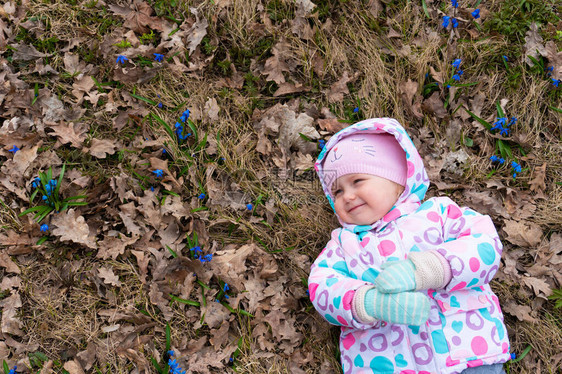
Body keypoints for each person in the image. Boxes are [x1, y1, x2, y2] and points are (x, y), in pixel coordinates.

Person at [308, 118, 511, 374]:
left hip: (467, 354)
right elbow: (322, 288)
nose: (347, 196)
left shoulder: (438, 214)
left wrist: (429, 270)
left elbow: (484, 245)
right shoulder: (342, 245)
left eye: (358, 181)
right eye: (336, 192)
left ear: (398, 179)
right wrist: (370, 303)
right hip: (387, 364)